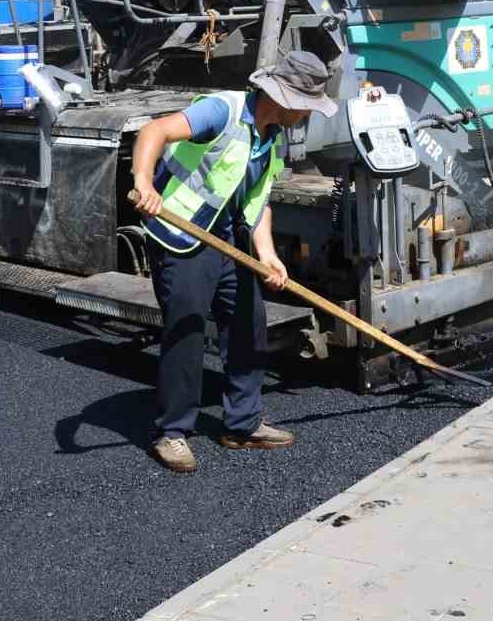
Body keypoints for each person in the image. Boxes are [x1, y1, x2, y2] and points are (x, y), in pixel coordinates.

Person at [129, 51, 338, 474]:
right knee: (187, 329)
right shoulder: (221, 111)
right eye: (307, 106)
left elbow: (257, 202)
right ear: (286, 98)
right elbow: (154, 131)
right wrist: (143, 182)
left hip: (227, 239)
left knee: (248, 322)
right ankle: (172, 432)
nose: (309, 115)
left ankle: (242, 423)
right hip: (181, 236)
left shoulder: (273, 136)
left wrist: (268, 255)